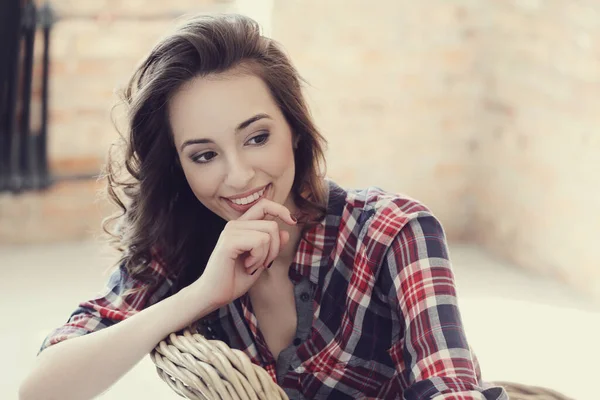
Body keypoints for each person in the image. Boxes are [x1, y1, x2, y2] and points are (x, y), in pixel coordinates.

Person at [19, 13, 507, 400]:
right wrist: (202, 294)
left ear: (293, 127)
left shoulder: (394, 232)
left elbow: (452, 388)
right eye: (204, 155)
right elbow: (41, 389)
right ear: (179, 166)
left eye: (257, 137)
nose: (238, 176)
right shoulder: (181, 243)